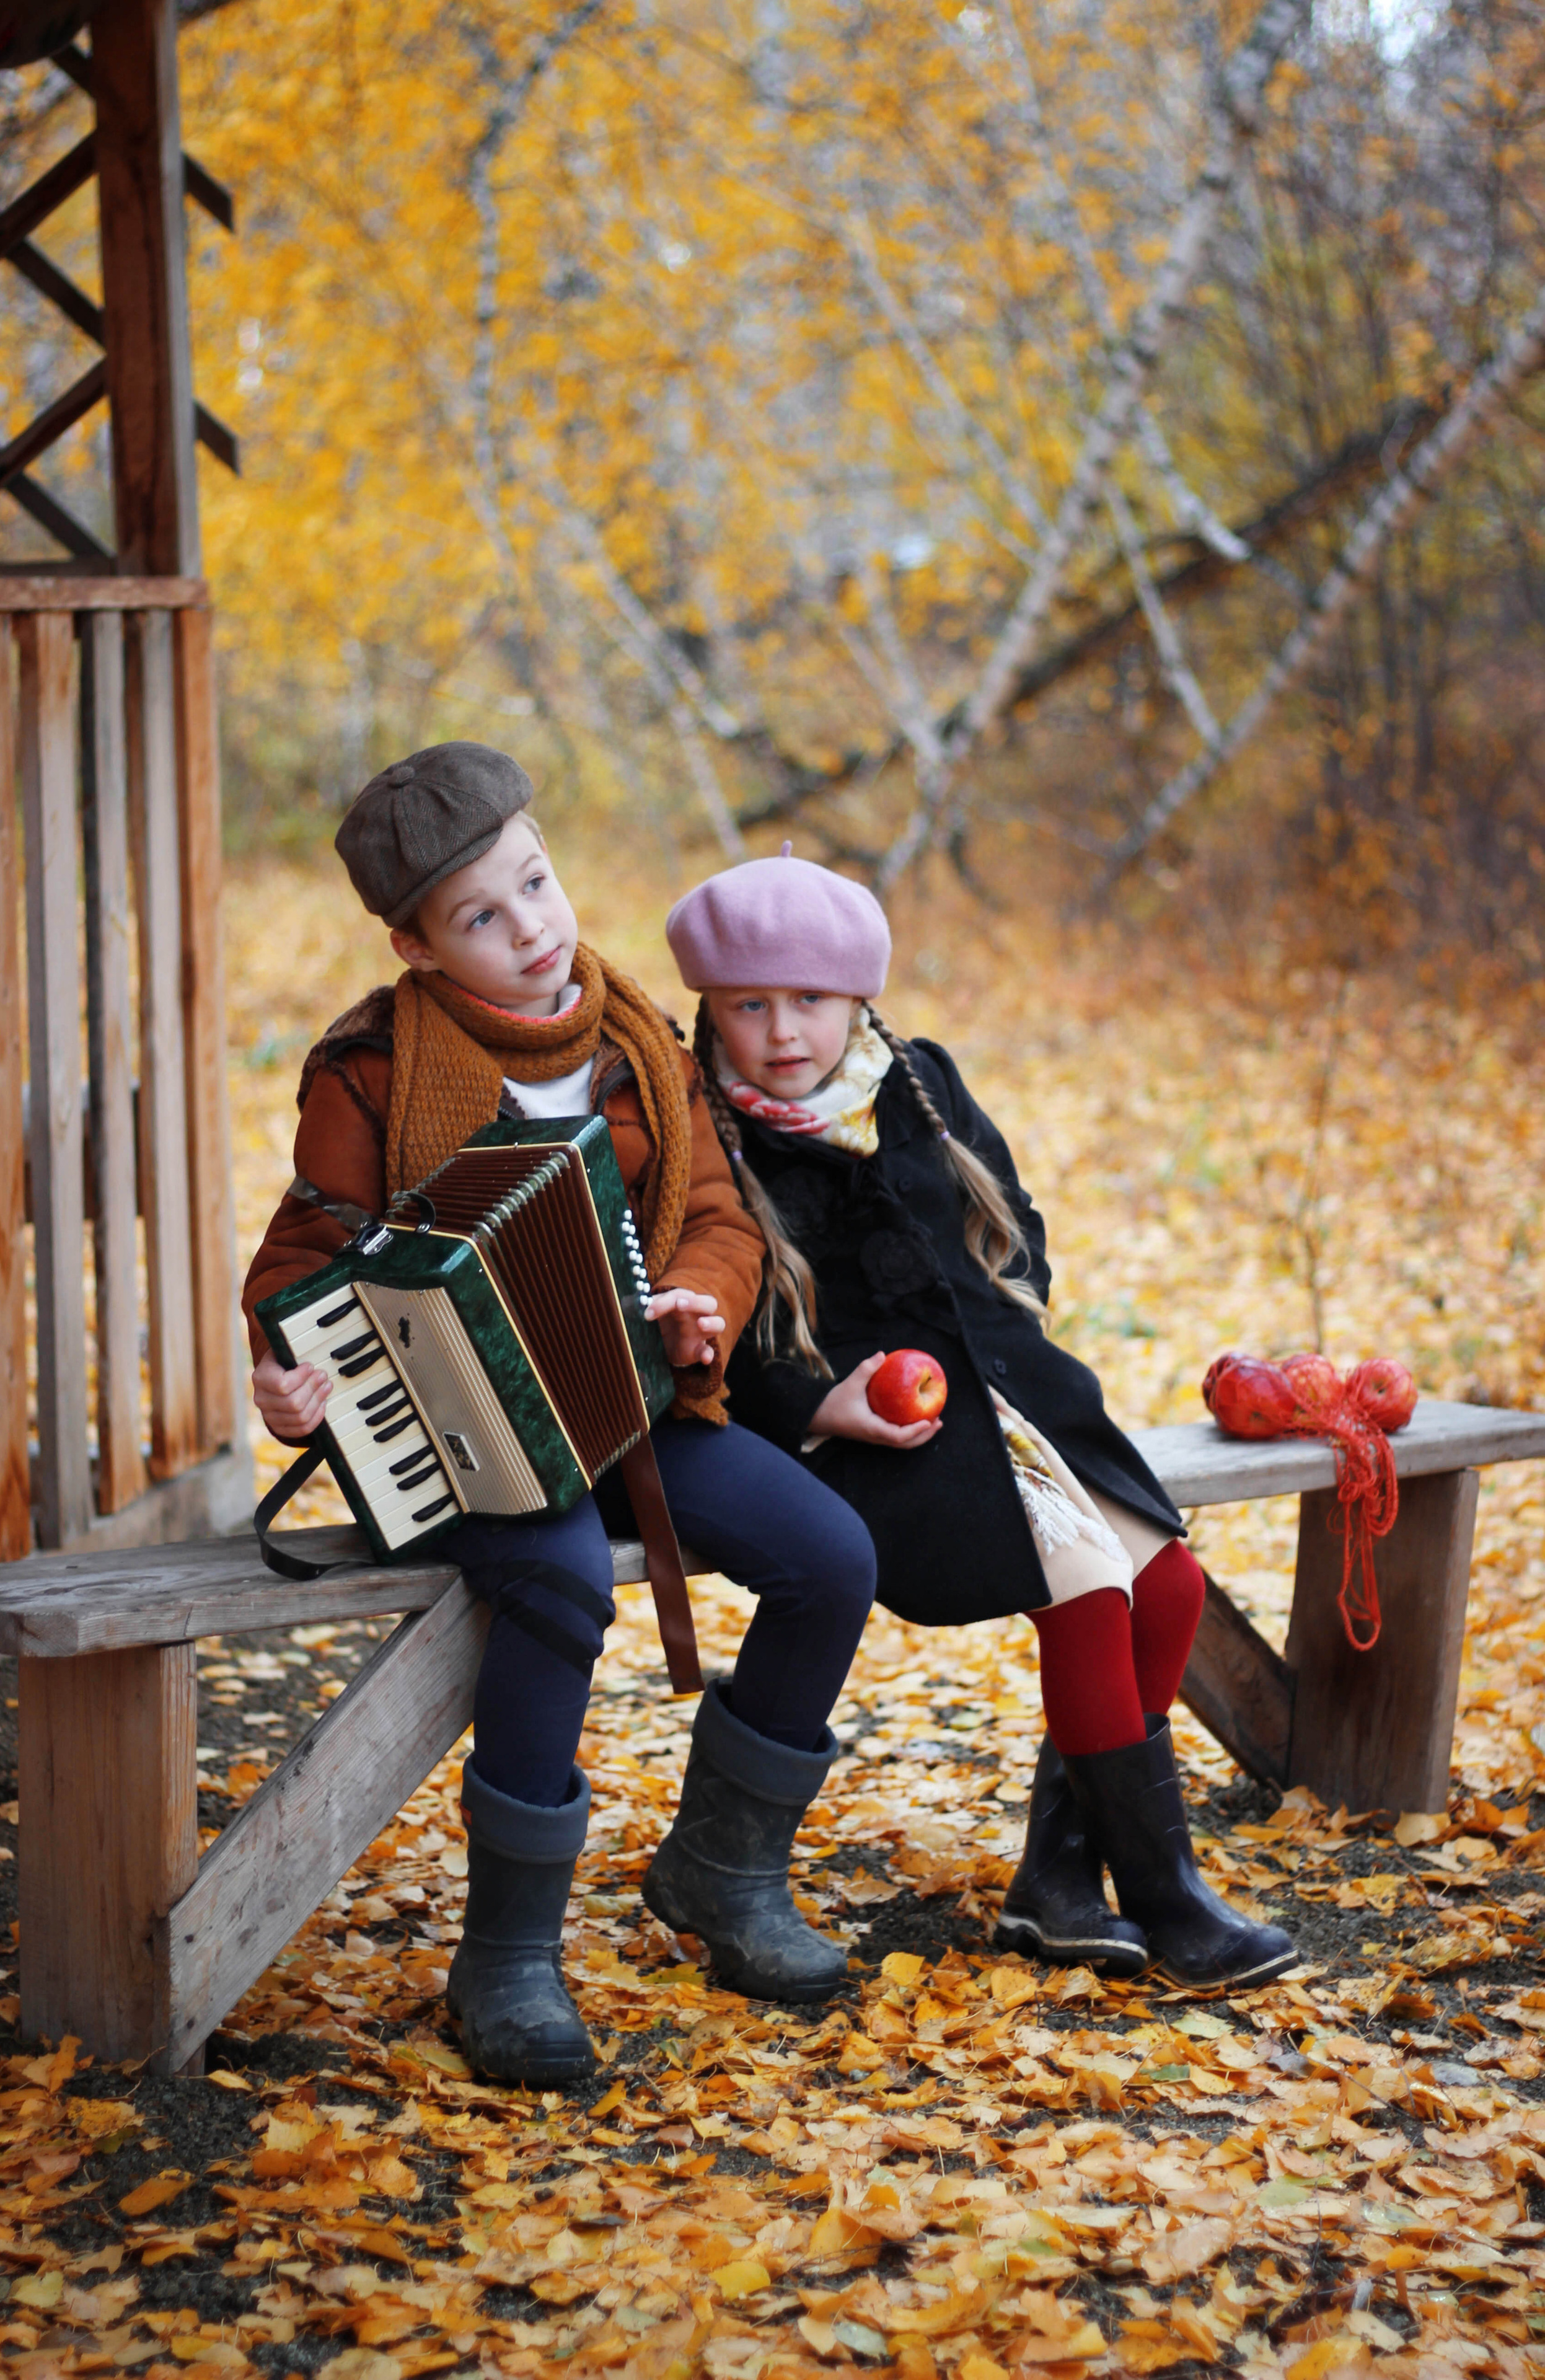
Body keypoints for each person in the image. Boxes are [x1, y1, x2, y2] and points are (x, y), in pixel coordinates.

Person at [243, 749, 878, 2085]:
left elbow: (713, 1212)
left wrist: (701, 1303)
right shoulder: (366, 1072)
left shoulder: (637, 1039)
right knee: (556, 1578)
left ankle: (722, 1873)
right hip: (475, 1434)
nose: (532, 926)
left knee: (829, 1556)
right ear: (416, 943)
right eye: (482, 915)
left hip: (638, 1406)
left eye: (535, 882)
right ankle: (508, 1959)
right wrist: (292, 1382)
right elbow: (304, 1267)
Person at [663, 845, 1297, 1992]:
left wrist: (1011, 1321)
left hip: (1004, 1383)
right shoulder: (699, 1125)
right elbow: (714, 1311)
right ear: (709, 1005)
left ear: (859, 998)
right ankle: (1166, 1896)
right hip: (864, 1433)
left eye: (809, 999)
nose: (782, 1031)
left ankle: (1058, 1883)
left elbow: (1016, 1218)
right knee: (1092, 1592)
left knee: (1170, 1584)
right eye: (748, 1005)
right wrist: (820, 1404)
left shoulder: (914, 1081)